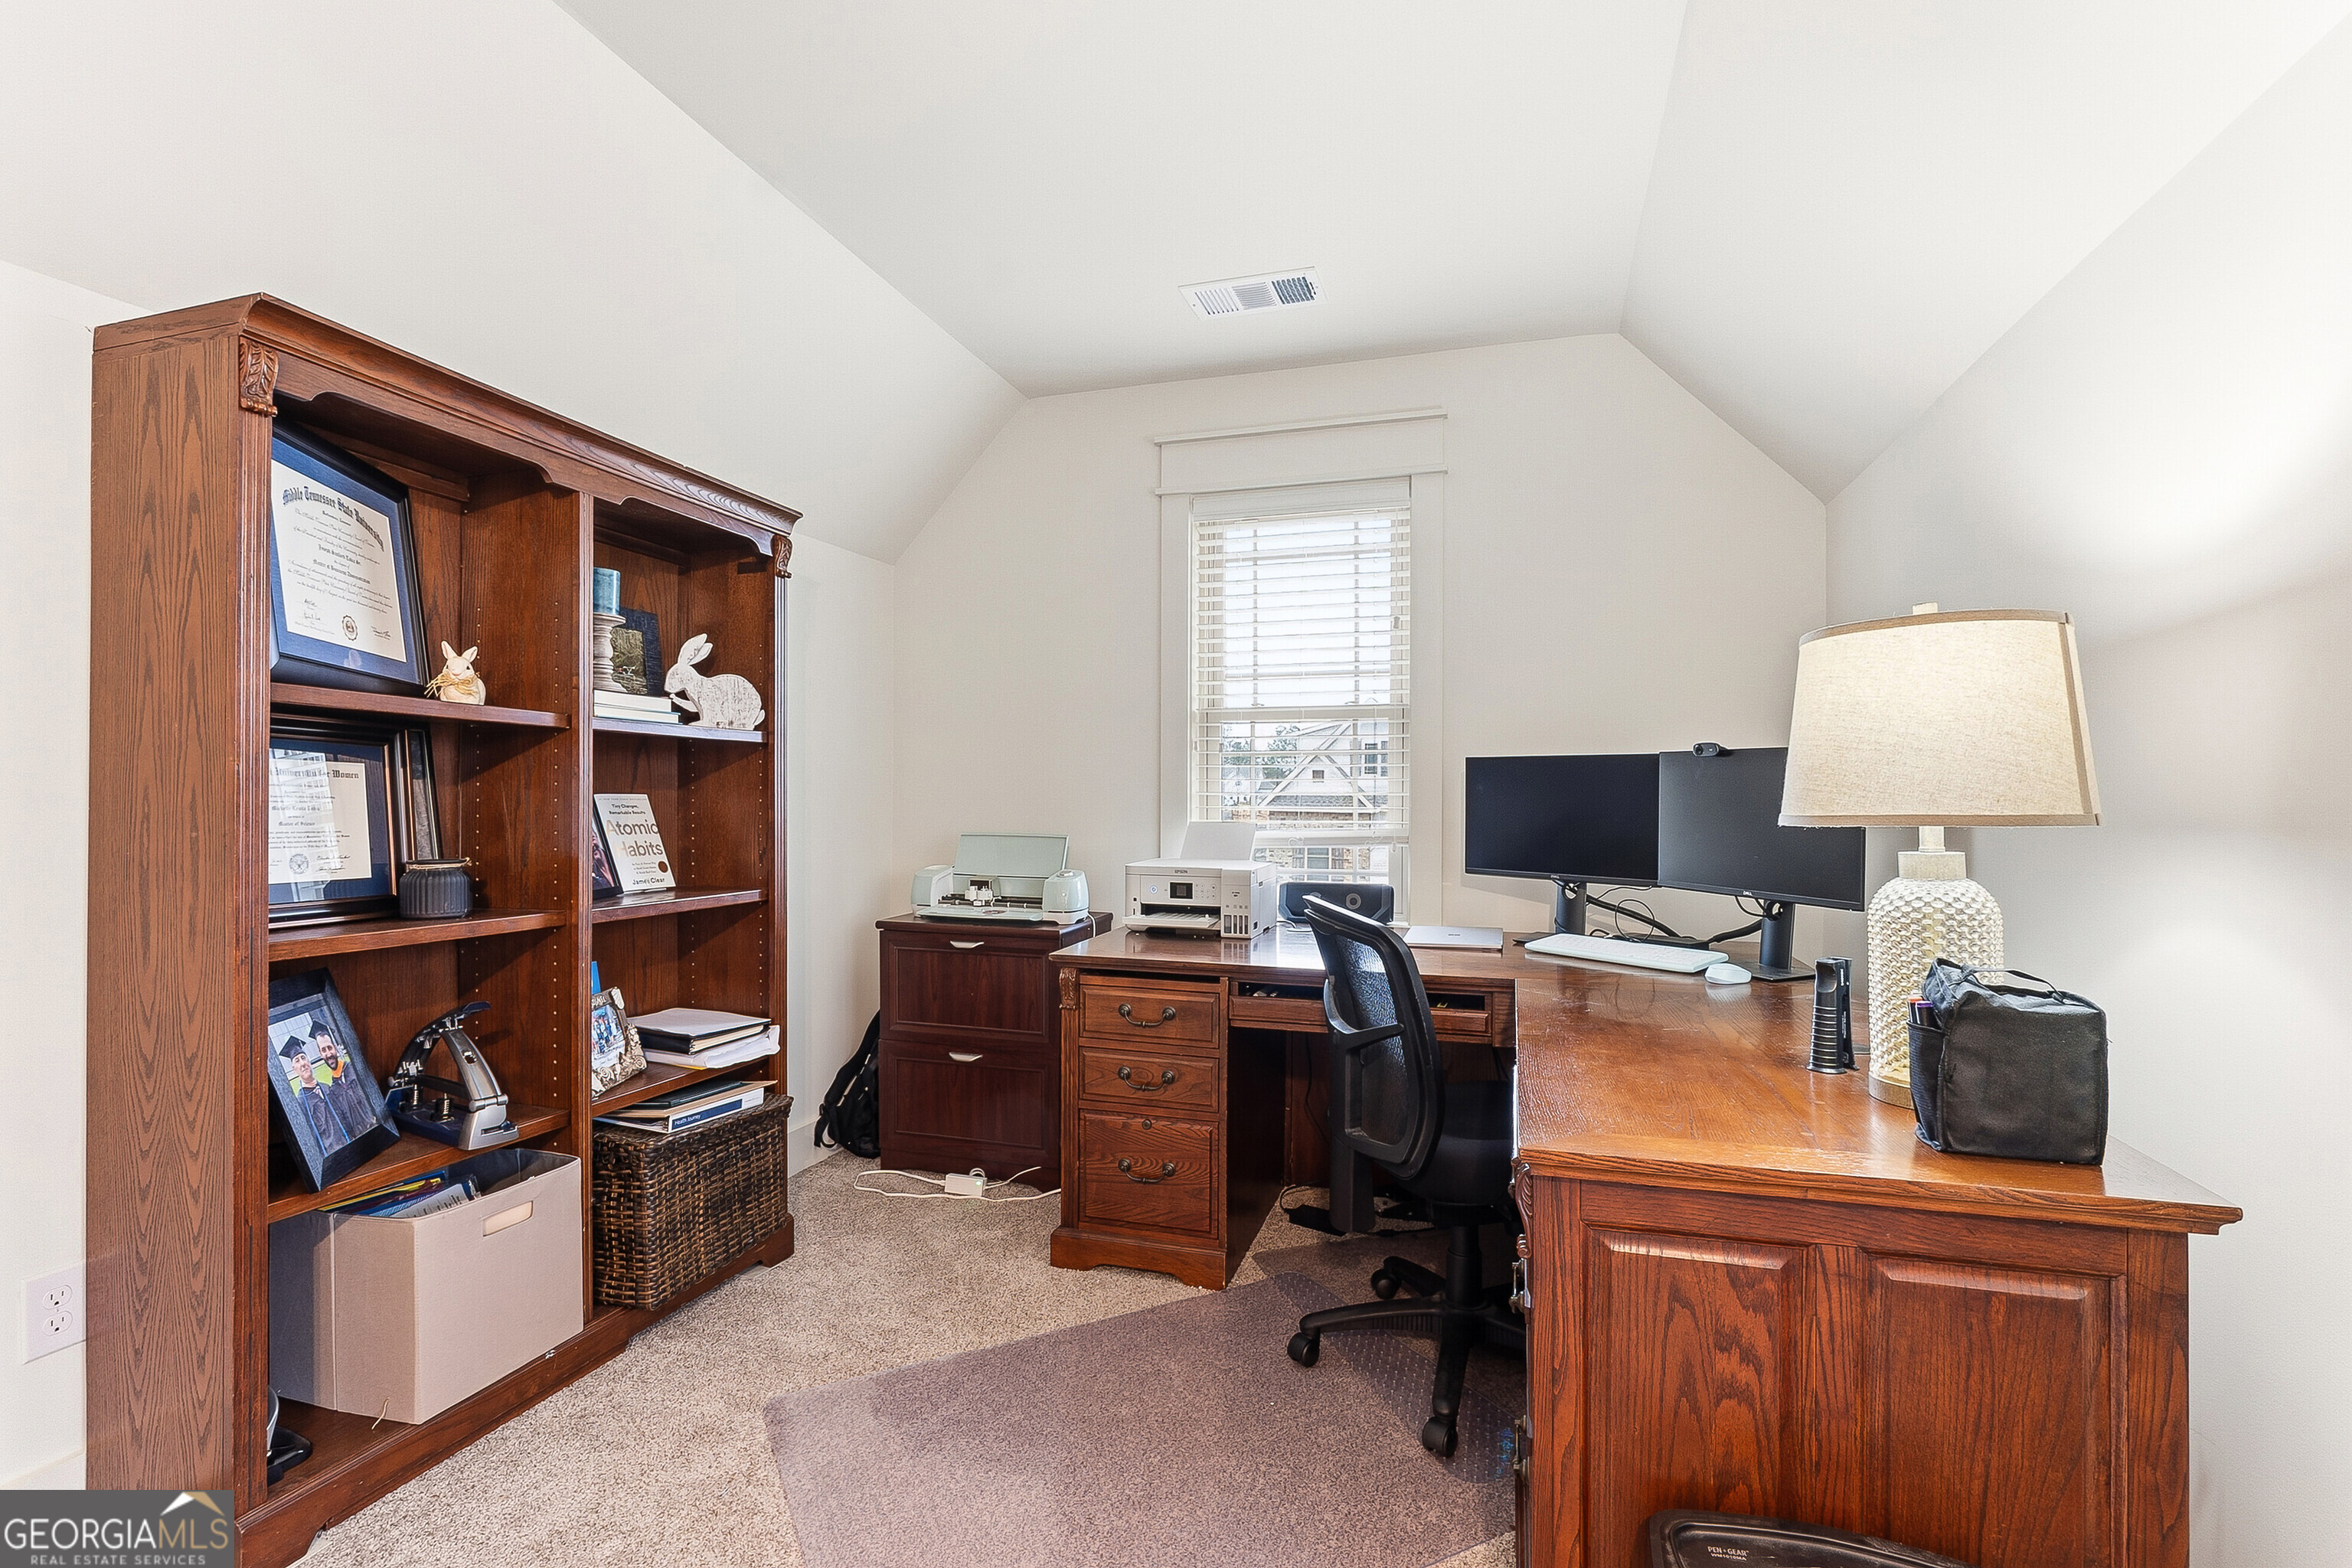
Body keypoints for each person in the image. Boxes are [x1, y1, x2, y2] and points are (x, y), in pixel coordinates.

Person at [278, 1037, 351, 1155]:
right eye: (297, 1061)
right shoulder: (301, 1103)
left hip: (349, 1142)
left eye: (303, 1058)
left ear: (309, 1061)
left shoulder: (327, 1087)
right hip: (331, 1153)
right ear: (294, 1069)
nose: (302, 1063)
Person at [310, 1024, 378, 1140]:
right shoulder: (333, 1090)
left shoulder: (355, 1070)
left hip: (376, 1129)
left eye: (330, 1048)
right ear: (321, 1054)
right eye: (324, 1050)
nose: (329, 1054)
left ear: (335, 1047)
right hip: (359, 1139)